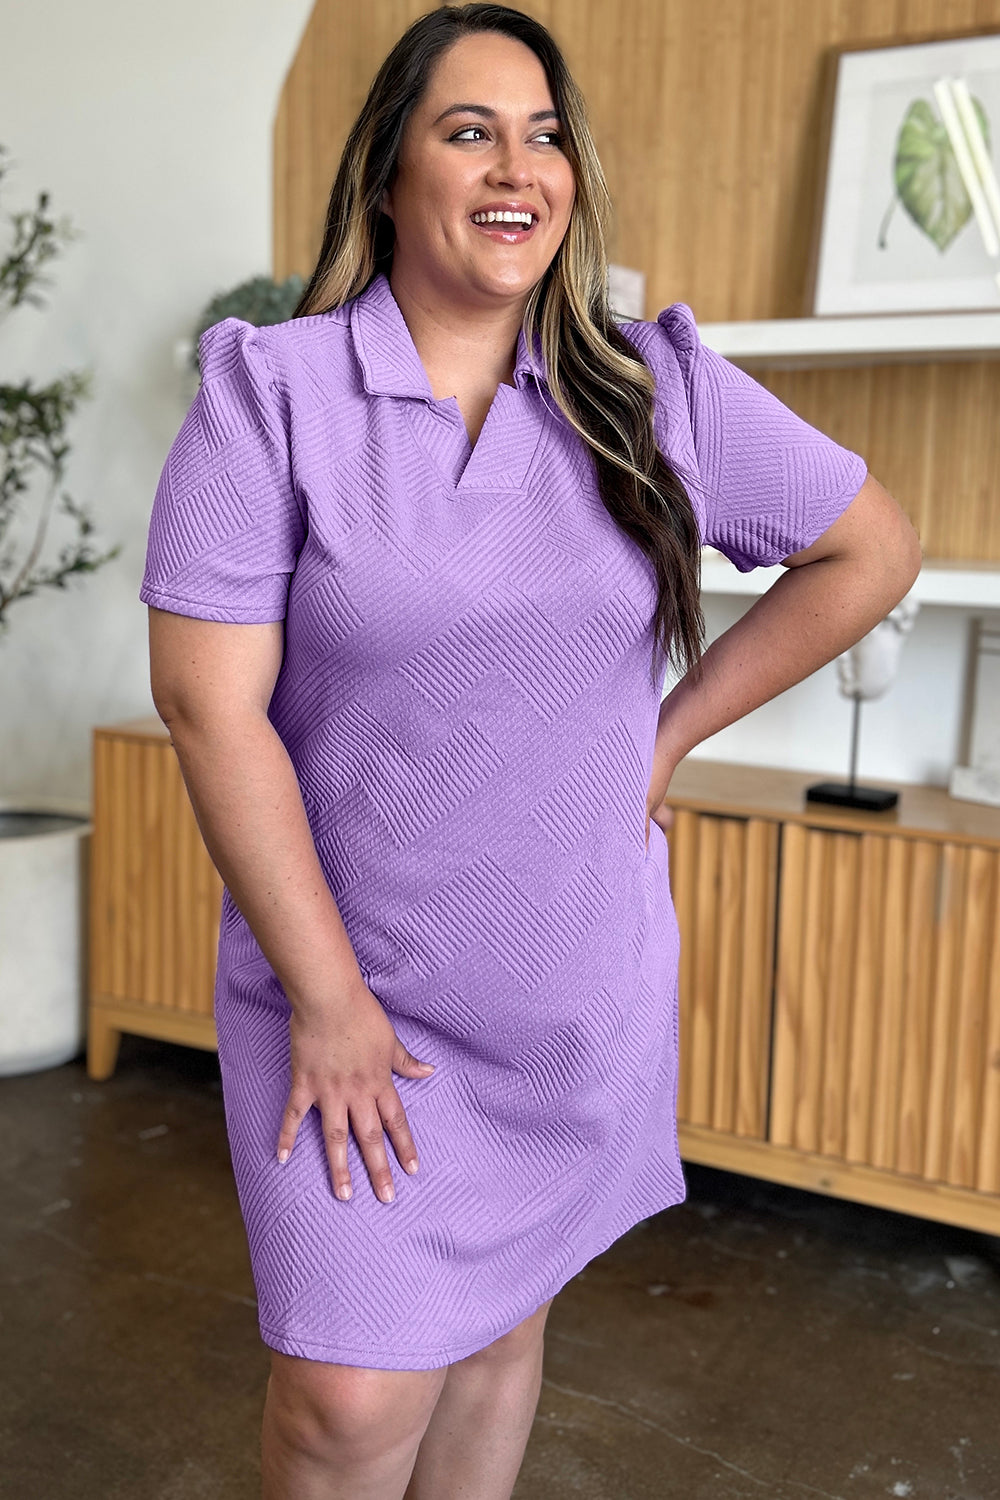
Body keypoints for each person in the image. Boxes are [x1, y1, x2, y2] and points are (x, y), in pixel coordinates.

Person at [139, 5, 922, 1497]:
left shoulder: (647, 388)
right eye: (470, 129)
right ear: (387, 173)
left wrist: (665, 736)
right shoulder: (272, 396)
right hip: (354, 997)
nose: (522, 166)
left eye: (547, 133)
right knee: (346, 1406)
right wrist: (329, 1001)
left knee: (500, 1339)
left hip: (575, 983)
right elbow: (207, 704)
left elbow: (865, 551)